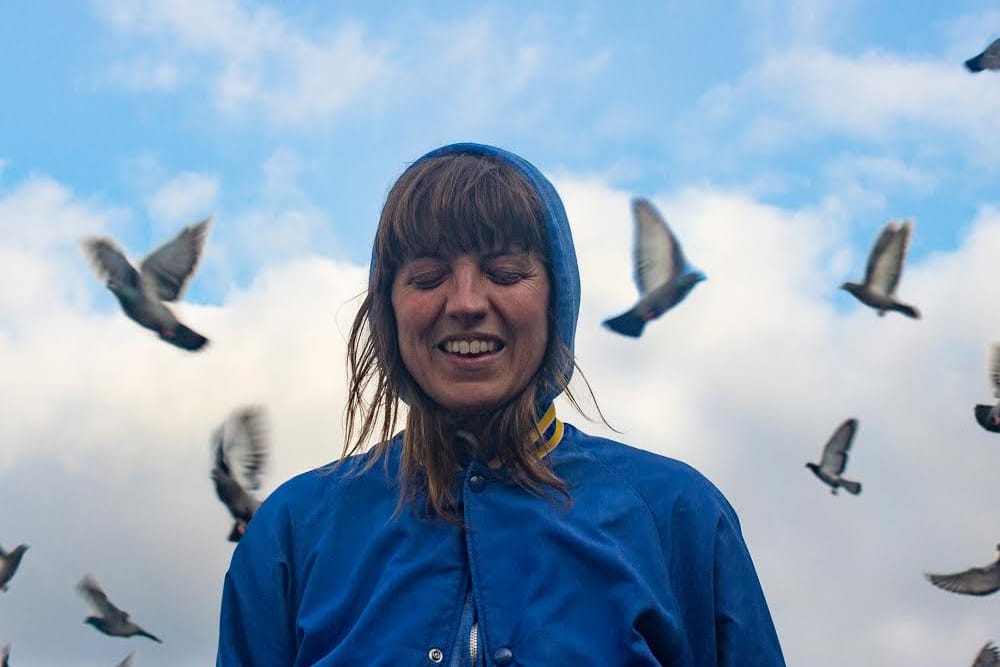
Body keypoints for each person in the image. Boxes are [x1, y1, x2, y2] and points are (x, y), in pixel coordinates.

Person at [216, 143, 785, 666]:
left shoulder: (677, 517)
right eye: (428, 275)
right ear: (388, 308)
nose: (465, 302)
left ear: (557, 297)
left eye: (506, 273)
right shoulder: (290, 536)